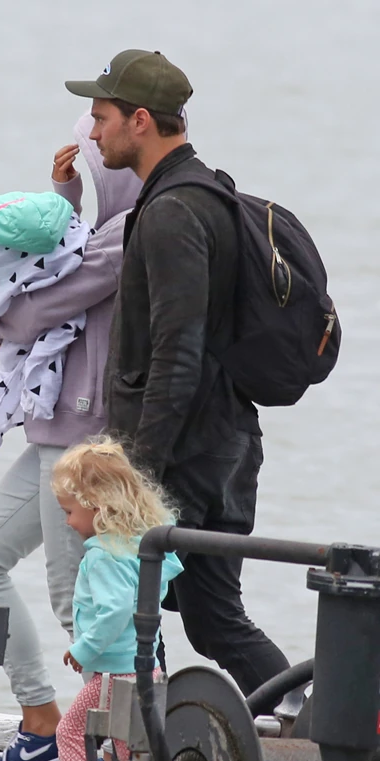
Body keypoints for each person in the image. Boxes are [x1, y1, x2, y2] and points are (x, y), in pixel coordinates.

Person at [64, 50, 290, 696]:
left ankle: (316, 732)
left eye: (101, 117)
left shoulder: (172, 213)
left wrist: (135, 473)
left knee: (147, 609)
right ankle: (306, 722)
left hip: (186, 455)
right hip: (219, 443)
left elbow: (177, 353)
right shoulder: (203, 194)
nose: (92, 132)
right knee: (212, 619)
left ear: (140, 120)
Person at [0, 115, 142, 761]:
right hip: (52, 431)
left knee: (80, 607)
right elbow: (66, 256)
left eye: (99, 139)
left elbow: (48, 302)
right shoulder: (109, 226)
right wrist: (66, 198)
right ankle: (42, 724)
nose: (93, 150)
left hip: (84, 441)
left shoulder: (131, 232)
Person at [18, 437, 182, 761]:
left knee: (71, 732)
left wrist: (84, 649)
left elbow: (115, 610)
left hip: (113, 672)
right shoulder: (139, 547)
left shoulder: (103, 556)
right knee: (127, 747)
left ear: (96, 505)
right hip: (143, 669)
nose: (67, 522)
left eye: (69, 512)